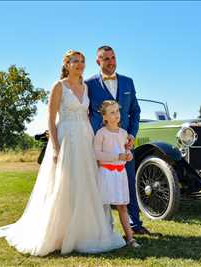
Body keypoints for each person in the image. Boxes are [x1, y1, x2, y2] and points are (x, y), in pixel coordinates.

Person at [0, 50, 125, 256]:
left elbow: (88, 115)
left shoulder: (85, 87)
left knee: (86, 183)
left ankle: (85, 232)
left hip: (85, 138)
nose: (79, 65)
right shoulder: (59, 86)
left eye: (82, 61)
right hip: (66, 138)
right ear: (66, 64)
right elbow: (51, 120)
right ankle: (59, 233)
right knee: (64, 183)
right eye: (75, 61)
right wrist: (55, 147)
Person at [86, 45, 150, 235]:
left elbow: (135, 111)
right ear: (98, 61)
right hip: (102, 145)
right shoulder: (89, 84)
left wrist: (131, 134)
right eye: (106, 59)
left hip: (125, 143)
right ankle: (102, 229)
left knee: (129, 183)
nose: (111, 62)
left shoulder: (128, 82)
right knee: (100, 187)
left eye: (113, 57)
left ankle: (135, 225)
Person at [94, 100, 141, 248]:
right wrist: (117, 157)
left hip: (120, 174)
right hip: (106, 173)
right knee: (103, 205)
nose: (116, 115)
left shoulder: (123, 133)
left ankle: (130, 238)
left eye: (117, 111)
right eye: (112, 112)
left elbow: (126, 151)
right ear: (104, 117)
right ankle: (103, 235)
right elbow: (96, 154)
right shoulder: (101, 133)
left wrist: (128, 155)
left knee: (122, 206)